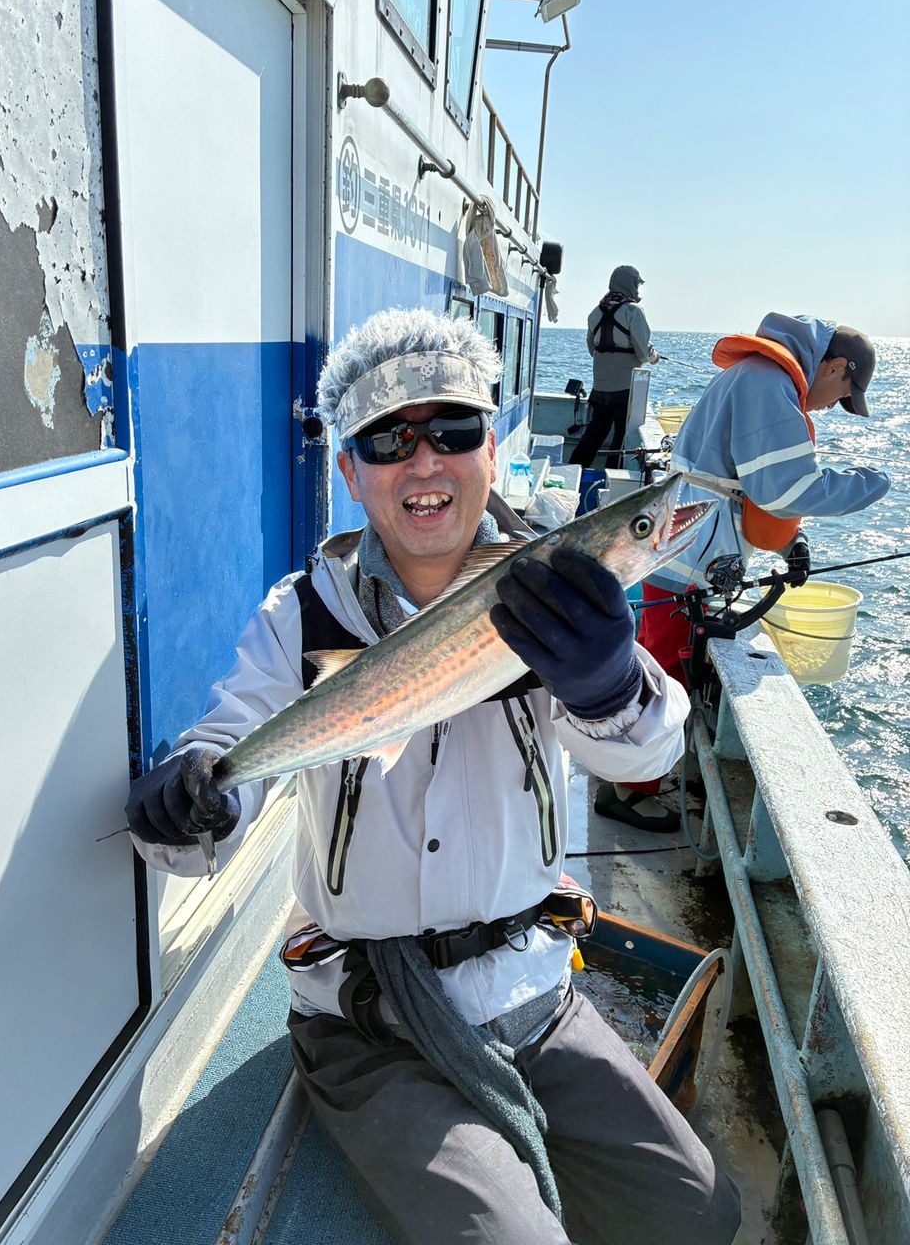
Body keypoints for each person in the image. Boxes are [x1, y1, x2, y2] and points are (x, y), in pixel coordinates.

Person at [126, 308, 741, 1245]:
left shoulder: (561, 597)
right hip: (368, 1023)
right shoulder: (302, 618)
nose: (423, 462)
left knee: (698, 1213)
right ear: (350, 474)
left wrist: (611, 682)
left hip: (532, 995)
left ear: (491, 452)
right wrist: (191, 796)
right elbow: (233, 743)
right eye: (387, 439)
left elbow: (648, 753)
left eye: (453, 430)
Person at [594, 313, 891, 832]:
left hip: (684, 544)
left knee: (665, 666)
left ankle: (646, 769)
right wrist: (873, 483)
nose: (834, 408)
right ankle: (626, 791)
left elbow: (747, 479)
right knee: (663, 670)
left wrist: (790, 540)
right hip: (688, 554)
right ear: (838, 366)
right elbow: (786, 489)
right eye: (843, 395)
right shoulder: (770, 384)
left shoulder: (759, 376)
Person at [570, 265, 660, 469]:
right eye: (637, 285)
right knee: (621, 440)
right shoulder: (633, 311)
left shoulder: (596, 312)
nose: (637, 290)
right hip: (625, 391)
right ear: (631, 285)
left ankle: (572, 471)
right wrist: (654, 357)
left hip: (599, 390)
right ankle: (611, 479)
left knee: (593, 437)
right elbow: (643, 353)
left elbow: (592, 349)